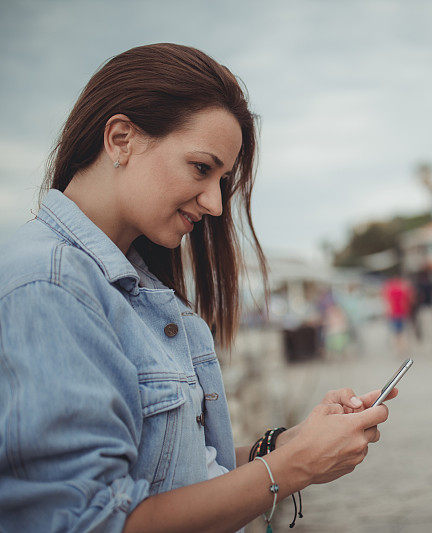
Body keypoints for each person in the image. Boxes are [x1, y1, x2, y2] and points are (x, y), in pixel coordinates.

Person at [0, 43, 397, 532]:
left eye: (222, 180)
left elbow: (172, 470)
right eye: (201, 168)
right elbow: (92, 521)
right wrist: (294, 469)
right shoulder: (52, 284)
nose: (214, 203)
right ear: (121, 139)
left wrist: (283, 446)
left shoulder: (133, 283)